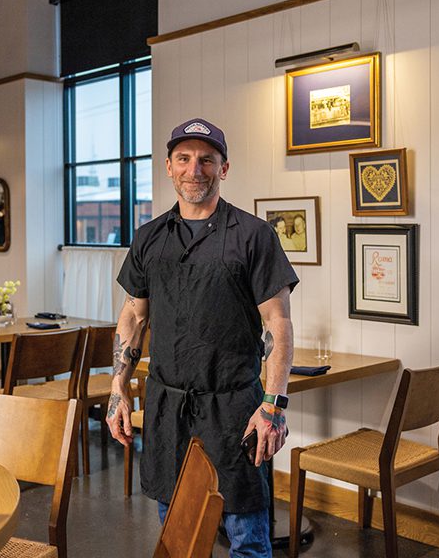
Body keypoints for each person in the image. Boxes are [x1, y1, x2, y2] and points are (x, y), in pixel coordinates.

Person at [107, 118, 298, 557]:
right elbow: (134, 314)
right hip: (165, 406)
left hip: (234, 407)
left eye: (207, 160)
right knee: (177, 533)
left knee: (246, 536)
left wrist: (273, 405)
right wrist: (117, 386)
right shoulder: (149, 237)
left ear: (224, 169)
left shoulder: (253, 235)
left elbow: (278, 325)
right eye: (185, 159)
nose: (196, 169)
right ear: (169, 168)